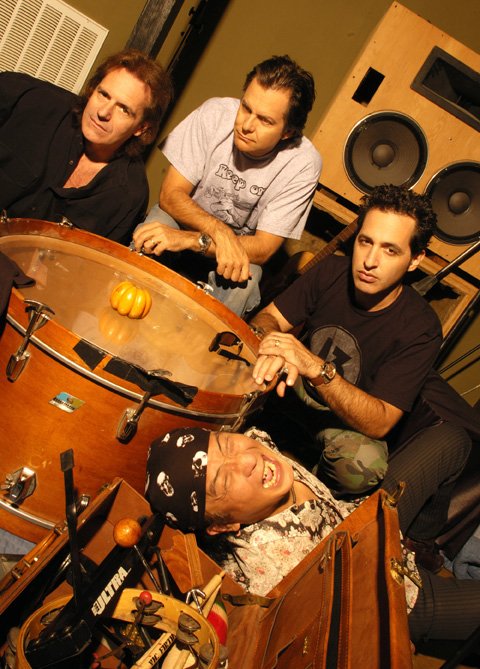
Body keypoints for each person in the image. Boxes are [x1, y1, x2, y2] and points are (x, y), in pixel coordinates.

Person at [145, 425, 480, 644]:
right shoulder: (274, 572)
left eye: (227, 443)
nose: (246, 458)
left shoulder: (255, 447)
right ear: (223, 526)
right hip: (387, 591)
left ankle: (418, 544)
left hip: (361, 517)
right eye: (223, 480)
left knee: (451, 440)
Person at [132, 54, 322, 317]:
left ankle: (203, 342)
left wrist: (195, 240)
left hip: (234, 252)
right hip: (182, 222)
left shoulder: (303, 163)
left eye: (265, 120)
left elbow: (264, 249)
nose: (246, 125)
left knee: (246, 280)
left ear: (288, 131)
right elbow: (170, 195)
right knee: (154, 227)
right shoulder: (214, 114)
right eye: (246, 108)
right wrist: (219, 231)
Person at [0, 49, 173, 244]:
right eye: (103, 94)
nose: (103, 112)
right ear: (93, 90)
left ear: (141, 128)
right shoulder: (32, 101)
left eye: (123, 109)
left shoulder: (128, 196)